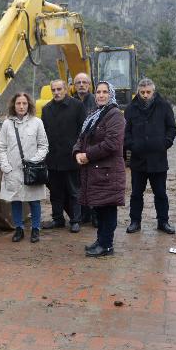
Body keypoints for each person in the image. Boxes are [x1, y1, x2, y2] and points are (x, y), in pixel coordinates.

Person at [73, 81, 125, 257]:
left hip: (108, 172)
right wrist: (77, 152)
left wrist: (87, 155)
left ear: (111, 94)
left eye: (105, 92)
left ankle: (107, 245)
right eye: (98, 92)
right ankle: (100, 240)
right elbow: (82, 137)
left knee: (108, 209)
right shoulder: (95, 114)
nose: (101, 95)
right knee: (100, 208)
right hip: (95, 171)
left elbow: (111, 144)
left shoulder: (115, 115)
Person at [124, 78, 176, 235]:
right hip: (138, 159)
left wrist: (165, 143)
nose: (145, 95)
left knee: (160, 193)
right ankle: (135, 221)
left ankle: (163, 221)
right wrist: (132, 145)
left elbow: (172, 128)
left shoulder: (164, 106)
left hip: (158, 158)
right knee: (136, 194)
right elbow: (125, 131)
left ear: (153, 92)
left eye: (148, 92)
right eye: (142, 92)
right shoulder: (131, 108)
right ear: (138, 92)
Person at [0, 92, 49, 243]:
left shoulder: (37, 122)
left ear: (29, 105)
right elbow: (1, 147)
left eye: (24, 103)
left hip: (32, 170)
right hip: (13, 170)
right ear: (13, 105)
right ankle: (19, 229)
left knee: (34, 200)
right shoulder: (7, 124)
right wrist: (5, 166)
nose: (21, 106)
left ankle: (35, 229)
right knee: (16, 200)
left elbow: (44, 145)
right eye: (18, 103)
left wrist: (34, 162)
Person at [41, 80, 86, 233]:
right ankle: (58, 219)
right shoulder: (46, 109)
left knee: (74, 191)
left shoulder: (77, 106)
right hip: (53, 158)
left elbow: (83, 132)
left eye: (59, 89)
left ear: (66, 89)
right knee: (55, 191)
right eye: (54, 90)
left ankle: (75, 220)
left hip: (71, 157)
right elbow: (44, 134)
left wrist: (80, 151)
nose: (56, 92)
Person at [72, 72, 98, 228]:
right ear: (74, 86)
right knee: (79, 184)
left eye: (84, 82)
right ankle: (84, 215)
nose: (81, 84)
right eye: (78, 82)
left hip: (92, 149)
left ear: (89, 85)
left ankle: (95, 215)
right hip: (77, 148)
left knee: (93, 183)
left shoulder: (95, 102)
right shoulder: (72, 102)